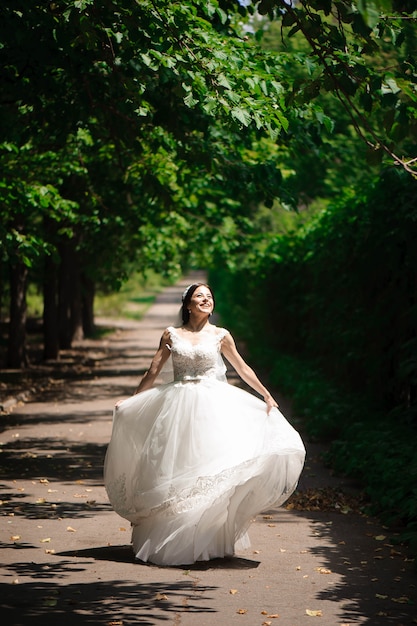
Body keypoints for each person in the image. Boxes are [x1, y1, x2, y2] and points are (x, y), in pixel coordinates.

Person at [104, 282, 305, 566]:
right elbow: (154, 370)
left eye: (209, 297)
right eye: (200, 296)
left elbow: (242, 368)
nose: (206, 300)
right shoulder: (172, 334)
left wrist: (266, 394)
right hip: (178, 407)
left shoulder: (221, 335)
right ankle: (172, 540)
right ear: (187, 304)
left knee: (210, 466)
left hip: (214, 406)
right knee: (176, 467)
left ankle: (208, 541)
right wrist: (133, 401)